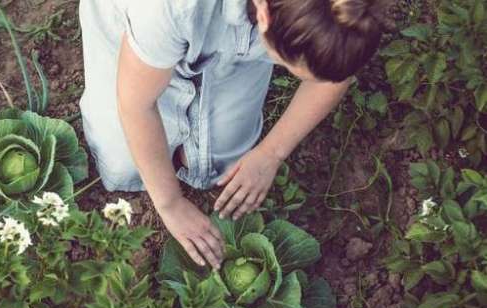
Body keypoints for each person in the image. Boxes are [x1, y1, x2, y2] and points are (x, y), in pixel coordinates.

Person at [79, 0, 385, 269]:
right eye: (287, 64)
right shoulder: (166, 7)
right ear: (264, 13)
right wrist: (170, 203)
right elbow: (135, 105)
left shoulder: (346, 11)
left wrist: (271, 153)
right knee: (123, 166)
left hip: (242, 39)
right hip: (137, 33)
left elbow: (332, 75)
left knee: (223, 164)